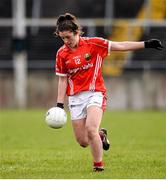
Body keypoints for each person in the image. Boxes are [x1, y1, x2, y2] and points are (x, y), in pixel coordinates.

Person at [54, 13, 164, 172]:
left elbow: (121, 46)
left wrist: (146, 44)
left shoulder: (95, 44)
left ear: (77, 32)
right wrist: (59, 105)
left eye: (68, 37)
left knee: (90, 129)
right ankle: (101, 135)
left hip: (95, 93)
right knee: (83, 141)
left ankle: (98, 167)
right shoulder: (61, 53)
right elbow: (62, 80)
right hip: (75, 98)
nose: (66, 41)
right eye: (62, 38)